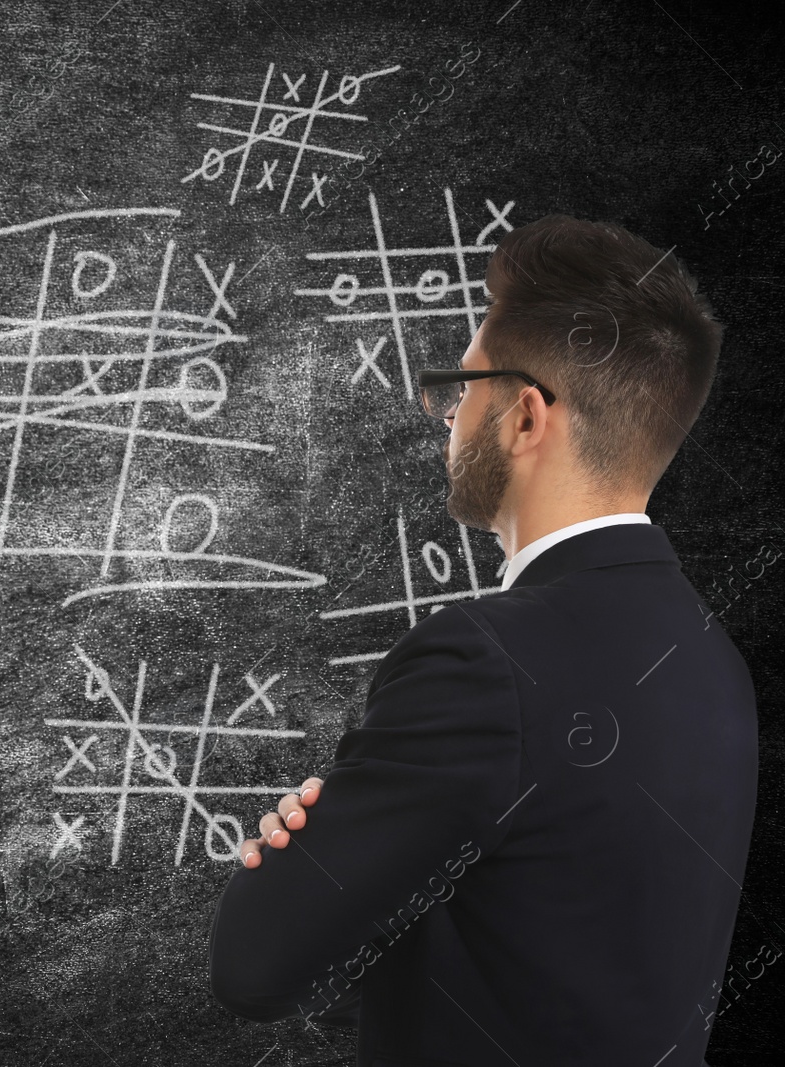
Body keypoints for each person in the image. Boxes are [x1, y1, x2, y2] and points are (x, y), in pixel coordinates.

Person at [208, 215, 756, 1065]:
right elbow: (557, 945)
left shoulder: (481, 662)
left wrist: (322, 862)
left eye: (462, 390)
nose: (448, 419)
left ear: (526, 416)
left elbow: (254, 968)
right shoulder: (713, 660)